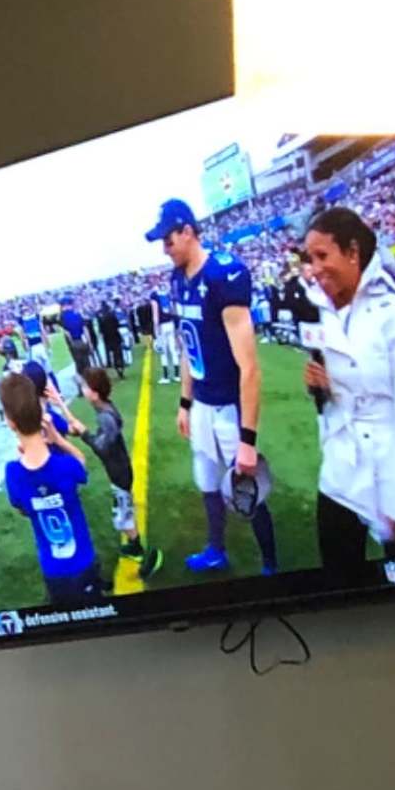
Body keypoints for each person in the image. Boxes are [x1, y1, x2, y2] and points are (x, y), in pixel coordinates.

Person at [295, 203, 395, 573]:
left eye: (322, 256)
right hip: (339, 470)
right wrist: (321, 388)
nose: (314, 269)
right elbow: (340, 399)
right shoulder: (326, 316)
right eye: (310, 258)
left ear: (353, 252)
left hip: (392, 468)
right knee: (338, 578)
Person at [146, 195, 275, 575]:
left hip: (228, 404)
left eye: (168, 240)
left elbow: (249, 368)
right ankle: (216, 549)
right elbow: (189, 347)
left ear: (188, 232)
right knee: (205, 480)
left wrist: (248, 440)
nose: (165, 250)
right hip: (201, 402)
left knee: (247, 487)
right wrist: (185, 403)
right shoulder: (176, 279)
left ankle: (271, 564)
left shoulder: (224, 274)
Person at [0, 369, 106, 601]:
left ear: (10, 422)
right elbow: (81, 464)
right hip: (83, 561)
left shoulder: (13, 473)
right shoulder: (65, 466)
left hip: (53, 570)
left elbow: (22, 509)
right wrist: (58, 440)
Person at [75, 362, 139, 538]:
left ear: (95, 394)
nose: (82, 389)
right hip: (120, 471)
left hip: (119, 474)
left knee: (123, 517)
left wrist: (84, 434)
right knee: (123, 513)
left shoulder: (105, 416)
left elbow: (102, 449)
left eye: (85, 386)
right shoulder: (105, 407)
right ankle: (135, 543)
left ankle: (139, 550)